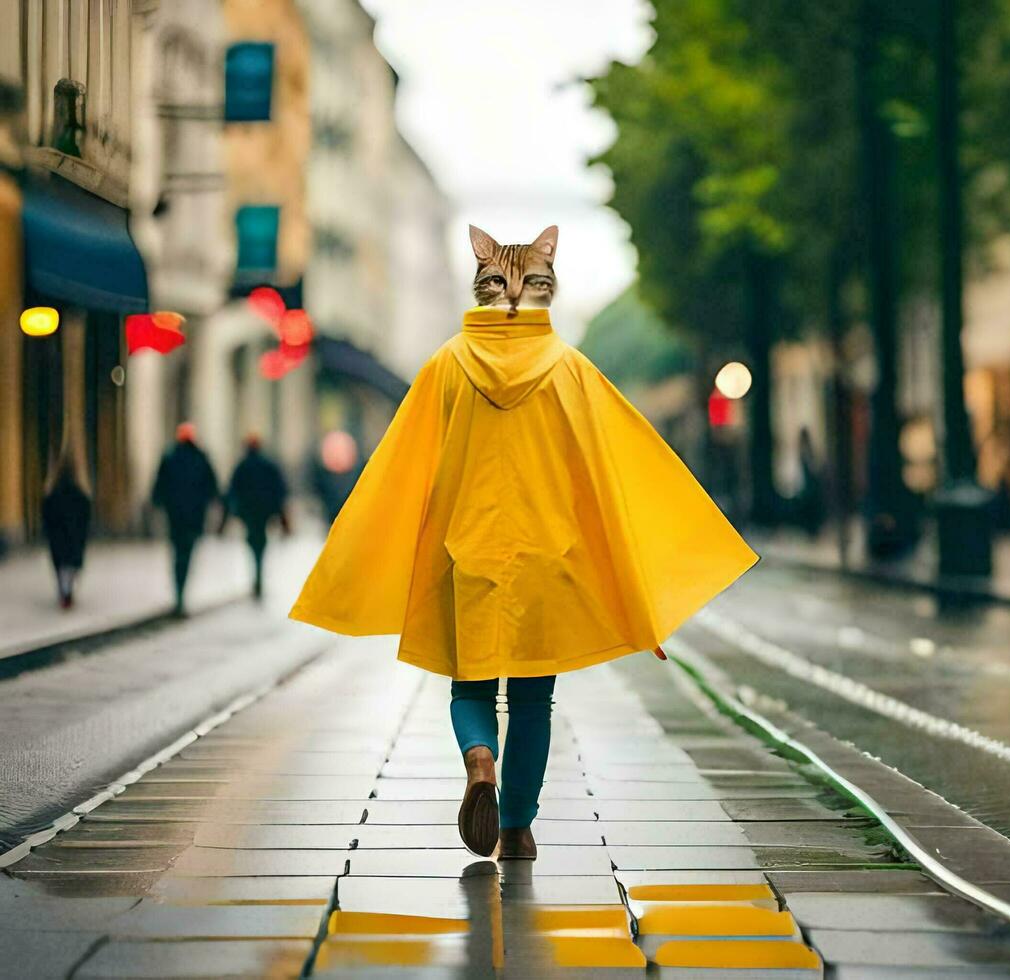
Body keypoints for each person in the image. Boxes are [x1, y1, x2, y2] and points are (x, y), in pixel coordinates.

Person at [291, 225, 758, 860]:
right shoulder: (571, 371)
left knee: (471, 690)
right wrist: (637, 597)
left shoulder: (444, 366)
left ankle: (478, 762)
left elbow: (403, 467)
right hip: (547, 557)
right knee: (535, 701)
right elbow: (610, 472)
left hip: (469, 551)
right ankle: (516, 828)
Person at [152, 422, 219, 616]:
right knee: (186, 555)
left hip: (176, 517)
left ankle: (179, 593)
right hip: (194, 518)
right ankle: (181, 594)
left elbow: (159, 486)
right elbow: (212, 487)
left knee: (177, 554)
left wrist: (158, 502)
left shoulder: (170, 457)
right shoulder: (201, 458)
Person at [223, 434, 290, 600]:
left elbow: (232, 491)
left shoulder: (242, 466)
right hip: (263, 512)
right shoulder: (268, 466)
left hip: (249, 512)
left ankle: (257, 576)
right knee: (259, 544)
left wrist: (231, 513)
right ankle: (258, 576)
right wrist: (281, 515)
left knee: (254, 543)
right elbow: (280, 491)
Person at [40, 449, 91, 609]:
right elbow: (86, 514)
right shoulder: (80, 493)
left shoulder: (53, 492)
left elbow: (46, 513)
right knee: (71, 566)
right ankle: (67, 592)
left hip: (59, 537)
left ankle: (65, 592)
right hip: (73, 536)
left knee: (62, 567)